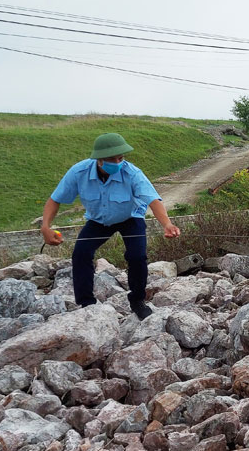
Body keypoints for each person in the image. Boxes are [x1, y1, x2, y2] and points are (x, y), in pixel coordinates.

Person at [40, 132, 180, 319]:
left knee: (137, 256)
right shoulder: (78, 172)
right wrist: (45, 226)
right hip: (99, 221)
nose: (117, 162)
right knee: (81, 254)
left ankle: (137, 300)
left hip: (130, 217)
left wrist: (167, 224)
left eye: (120, 158)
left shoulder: (132, 173)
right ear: (98, 159)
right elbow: (55, 199)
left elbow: (153, 200)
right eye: (111, 159)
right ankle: (86, 304)